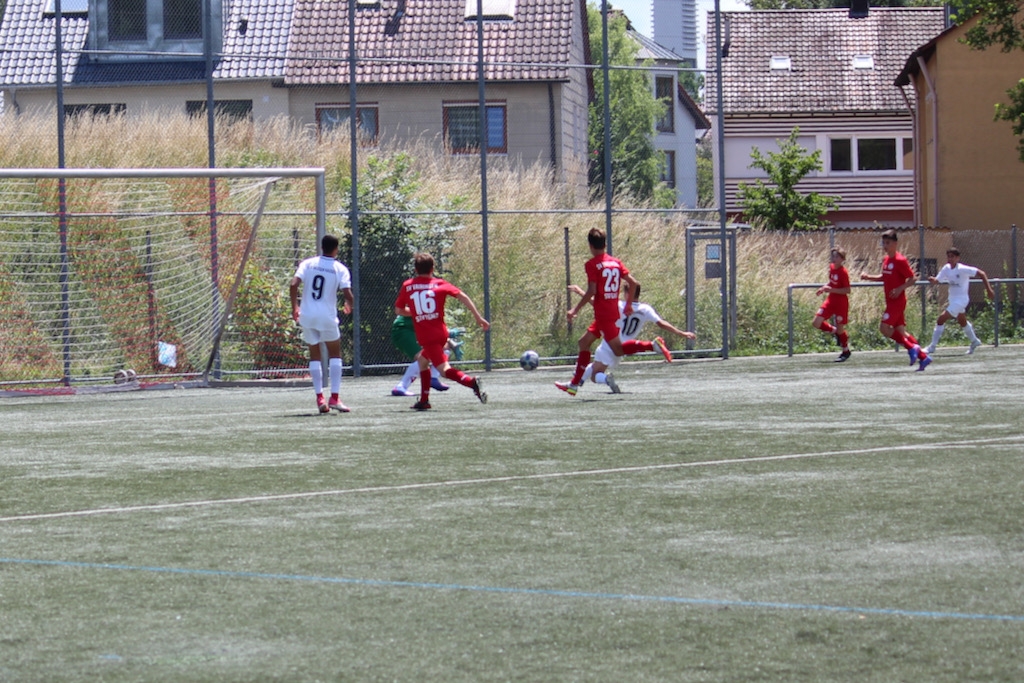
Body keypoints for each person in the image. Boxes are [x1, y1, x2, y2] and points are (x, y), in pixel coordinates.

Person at [556, 228, 664, 396]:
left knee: (618, 350)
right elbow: (633, 283)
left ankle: (652, 345)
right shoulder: (616, 263)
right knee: (583, 342)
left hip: (604, 315)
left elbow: (592, 290)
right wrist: (628, 305)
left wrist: (575, 309)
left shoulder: (592, 264)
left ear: (590, 246)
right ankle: (574, 384)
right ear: (605, 245)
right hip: (607, 313)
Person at [394, 252, 489, 411]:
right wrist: (478, 317)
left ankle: (471, 382)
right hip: (441, 332)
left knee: (444, 370)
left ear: (415, 270)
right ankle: (424, 400)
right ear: (433, 269)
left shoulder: (408, 285)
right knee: (423, 362)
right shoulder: (440, 283)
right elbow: (462, 296)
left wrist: (417, 312)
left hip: (428, 336)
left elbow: (399, 310)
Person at [567, 282, 695, 393]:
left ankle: (602, 379)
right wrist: (681, 333)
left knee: (595, 376)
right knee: (596, 366)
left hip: (611, 343)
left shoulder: (619, 305)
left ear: (628, 293)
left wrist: (580, 292)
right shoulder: (645, 308)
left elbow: (596, 303)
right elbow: (661, 323)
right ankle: (577, 381)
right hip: (625, 347)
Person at [290, 234, 355, 413]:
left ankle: (319, 397)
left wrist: (295, 306)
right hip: (326, 317)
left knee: (314, 355)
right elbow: (348, 294)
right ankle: (334, 397)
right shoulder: (340, 268)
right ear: (336, 249)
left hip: (307, 316)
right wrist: (349, 304)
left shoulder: (308, 263)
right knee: (335, 354)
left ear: (321, 247)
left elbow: (293, 284)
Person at [860, 229, 931, 371]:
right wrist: (869, 277)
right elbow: (884, 277)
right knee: (901, 332)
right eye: (884, 243)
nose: (885, 246)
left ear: (895, 243)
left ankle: (911, 348)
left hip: (897, 302)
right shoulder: (886, 260)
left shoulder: (900, 260)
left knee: (884, 328)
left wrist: (899, 289)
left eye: (888, 243)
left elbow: (912, 279)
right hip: (890, 301)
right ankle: (924, 358)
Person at [925, 248, 995, 355]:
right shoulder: (946, 268)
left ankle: (932, 347)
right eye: (949, 256)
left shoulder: (962, 269)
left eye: (952, 257)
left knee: (941, 319)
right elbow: (938, 280)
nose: (950, 259)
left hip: (961, 300)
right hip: (953, 299)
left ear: (958, 258)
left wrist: (989, 290)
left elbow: (982, 273)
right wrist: (933, 280)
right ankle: (974, 341)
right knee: (962, 321)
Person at [389, 313, 450, 397]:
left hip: (414, 329)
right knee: (423, 357)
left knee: (444, 348)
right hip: (404, 329)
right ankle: (401, 386)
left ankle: (433, 378)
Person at [813, 248, 853, 362]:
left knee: (841, 329)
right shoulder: (831, 268)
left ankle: (845, 351)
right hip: (831, 301)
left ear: (842, 259)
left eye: (837, 257)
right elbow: (832, 282)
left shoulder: (843, 272)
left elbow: (847, 290)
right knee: (816, 322)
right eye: (833, 256)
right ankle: (836, 332)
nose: (834, 259)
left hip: (841, 303)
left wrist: (830, 289)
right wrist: (824, 288)